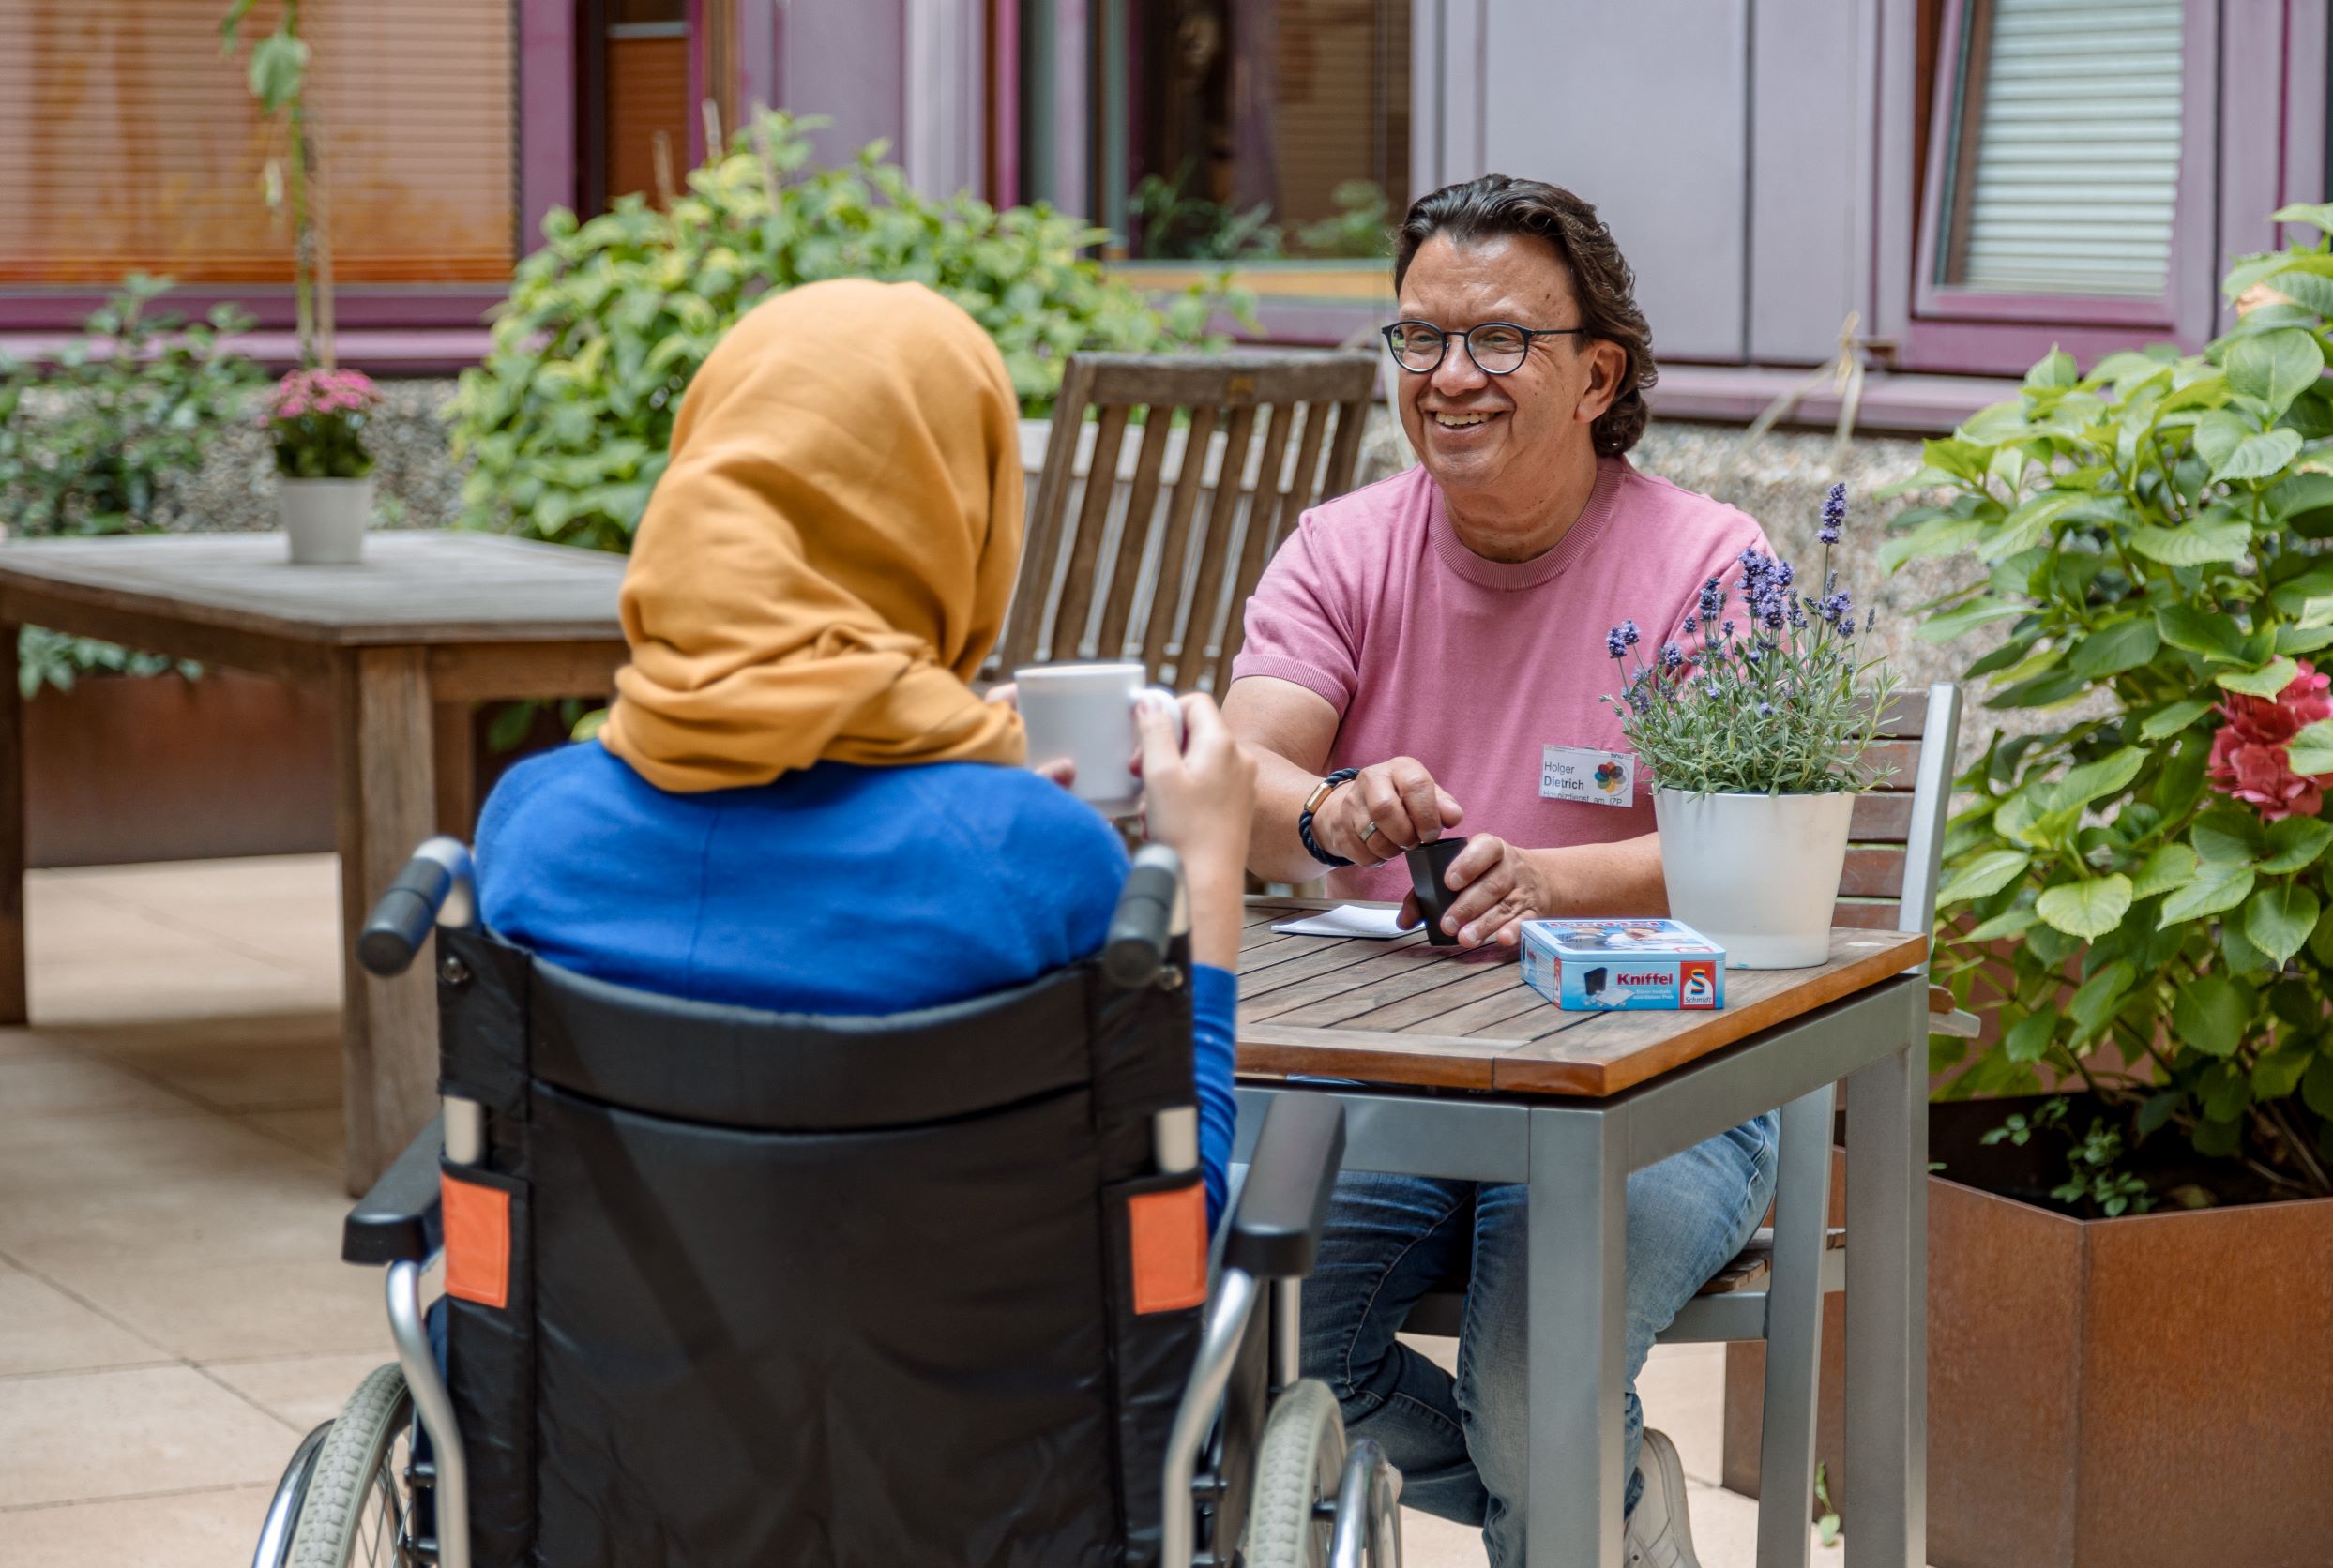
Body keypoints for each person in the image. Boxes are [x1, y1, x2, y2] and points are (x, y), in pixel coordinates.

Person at [1221, 175, 1780, 1568]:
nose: (1449, 377)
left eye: (1498, 341)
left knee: (1535, 1403)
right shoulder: (1344, 549)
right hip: (1398, 1075)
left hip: (1655, 1079)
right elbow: (1234, 780)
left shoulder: (1714, 565)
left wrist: (1546, 879)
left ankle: (1571, 1486)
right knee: (1255, 1354)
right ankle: (1620, 1509)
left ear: (1598, 373)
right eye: (1420, 338)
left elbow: (1751, 850)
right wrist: (1332, 810)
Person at [474, 278, 1253, 1225]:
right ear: (960, 515)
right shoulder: (1034, 854)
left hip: (590, 1370)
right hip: (971, 1375)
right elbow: (1176, 1228)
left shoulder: (531, 824)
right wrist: (1204, 873)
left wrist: (946, 755)